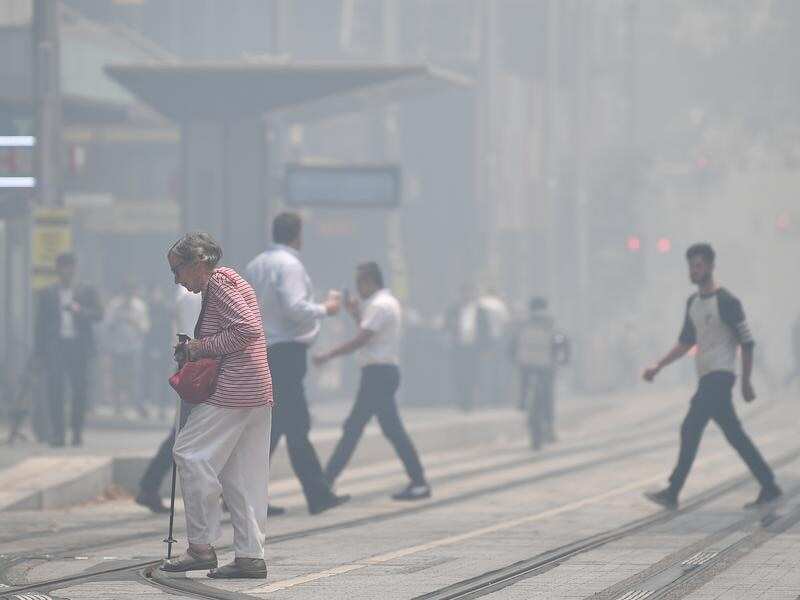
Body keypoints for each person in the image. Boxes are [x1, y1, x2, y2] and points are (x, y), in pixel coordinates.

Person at [159, 232, 272, 579]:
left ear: (198, 263)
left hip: (235, 387)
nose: (177, 279)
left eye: (178, 270)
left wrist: (199, 348)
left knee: (189, 453)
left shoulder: (219, 285)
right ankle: (250, 555)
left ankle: (200, 546)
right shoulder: (230, 281)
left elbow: (247, 329)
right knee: (238, 474)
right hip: (256, 387)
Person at [643, 243, 782, 510]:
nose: (693, 271)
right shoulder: (692, 303)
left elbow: (747, 342)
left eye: (698, 265)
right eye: (691, 266)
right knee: (734, 434)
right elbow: (685, 342)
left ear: (710, 266)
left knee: (690, 427)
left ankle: (673, 491)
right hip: (707, 376)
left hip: (720, 377)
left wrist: (746, 381)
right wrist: (658, 366)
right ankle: (769, 485)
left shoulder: (728, 302)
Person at [246, 212, 349, 515]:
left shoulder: (256, 264)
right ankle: (317, 494)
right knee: (296, 425)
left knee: (274, 426)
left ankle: (245, 495)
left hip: (264, 351)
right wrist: (326, 308)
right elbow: (294, 308)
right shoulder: (289, 265)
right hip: (287, 353)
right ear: (297, 234)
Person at [315, 262, 431, 501]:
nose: (358, 289)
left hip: (378, 374)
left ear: (370, 282)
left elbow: (361, 339)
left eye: (360, 283)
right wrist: (356, 312)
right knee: (389, 430)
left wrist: (328, 354)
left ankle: (325, 482)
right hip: (382, 373)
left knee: (353, 428)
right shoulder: (384, 304)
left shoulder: (379, 305)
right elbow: (368, 334)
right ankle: (419, 481)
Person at [135, 285, 203, 514]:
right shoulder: (192, 295)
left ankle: (149, 485)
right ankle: (149, 485)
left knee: (190, 430)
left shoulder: (184, 295)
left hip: (194, 361)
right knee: (185, 431)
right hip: (199, 364)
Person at [33, 252, 103, 447]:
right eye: (63, 266)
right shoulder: (48, 293)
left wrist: (81, 312)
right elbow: (39, 325)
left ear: (75, 269)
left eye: (70, 266)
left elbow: (99, 314)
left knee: (79, 390)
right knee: (54, 390)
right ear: (58, 269)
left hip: (79, 348)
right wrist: (39, 353)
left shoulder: (86, 291)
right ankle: (57, 433)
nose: (67, 270)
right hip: (56, 348)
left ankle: (77, 432)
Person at [509, 297, 568, 450]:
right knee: (548, 396)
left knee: (524, 385)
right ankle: (549, 426)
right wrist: (564, 359)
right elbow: (561, 341)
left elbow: (513, 343)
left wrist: (513, 358)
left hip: (526, 365)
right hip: (546, 366)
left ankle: (522, 403)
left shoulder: (523, 324)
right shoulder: (550, 324)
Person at [104, 280, 150, 416]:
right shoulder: (114, 305)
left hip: (134, 348)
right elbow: (107, 325)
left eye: (130, 292)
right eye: (126, 292)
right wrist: (118, 318)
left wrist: (133, 321)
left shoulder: (139, 306)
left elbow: (145, 328)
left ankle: (136, 404)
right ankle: (118, 406)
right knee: (117, 376)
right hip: (118, 347)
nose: (128, 295)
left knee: (134, 376)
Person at [444, 284, 491, 411]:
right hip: (458, 347)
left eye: (470, 293)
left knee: (473, 374)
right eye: (465, 293)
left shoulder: (481, 311)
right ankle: (461, 400)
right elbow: (446, 326)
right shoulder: (454, 310)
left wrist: (486, 348)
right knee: (459, 374)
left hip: (474, 348)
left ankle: (469, 402)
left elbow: (486, 331)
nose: (467, 296)